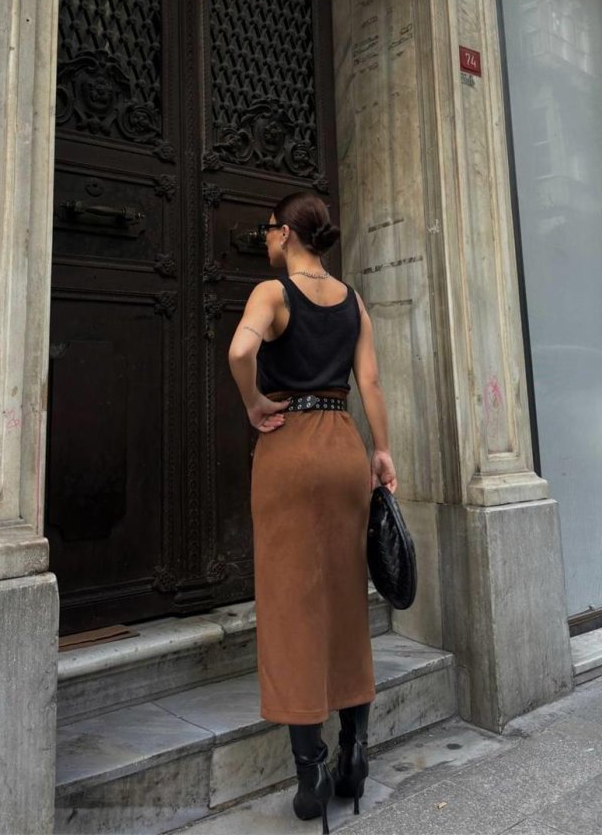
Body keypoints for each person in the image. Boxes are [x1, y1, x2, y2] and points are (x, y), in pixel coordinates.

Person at [228, 190, 397, 834]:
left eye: (269, 229)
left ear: (287, 234)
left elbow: (240, 352)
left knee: (290, 603)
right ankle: (355, 752)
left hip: (290, 448)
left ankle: (312, 772)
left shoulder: (272, 293)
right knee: (347, 598)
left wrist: (253, 402)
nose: (266, 239)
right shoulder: (352, 300)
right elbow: (370, 382)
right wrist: (381, 450)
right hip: (343, 443)